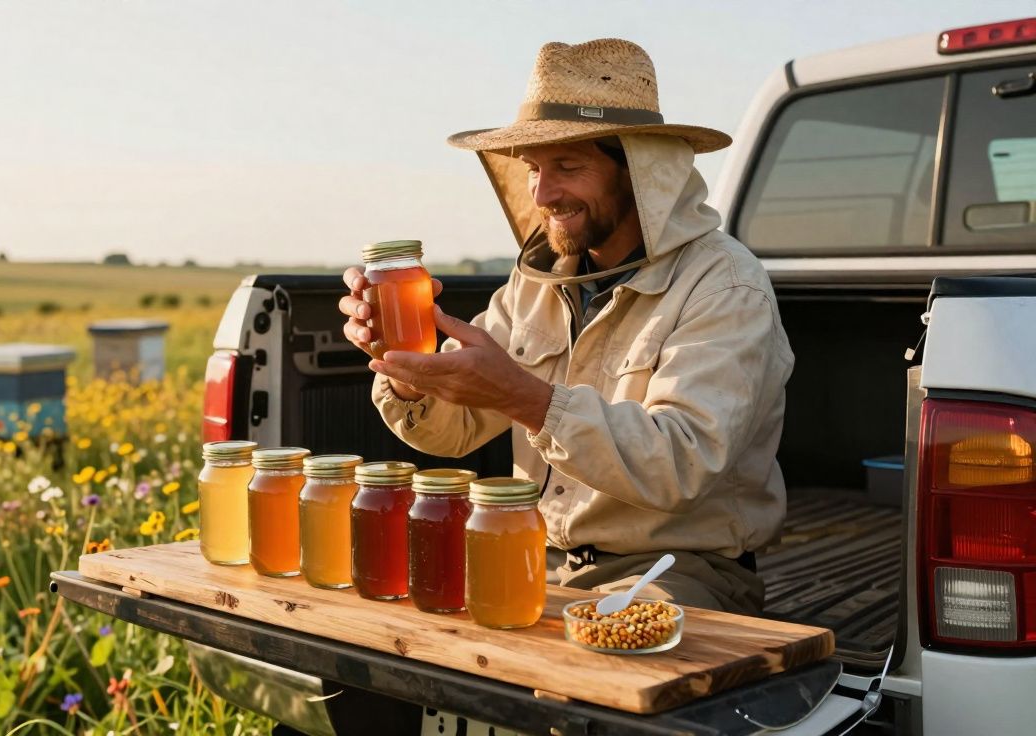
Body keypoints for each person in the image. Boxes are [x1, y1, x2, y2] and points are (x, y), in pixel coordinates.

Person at [338, 38, 793, 615]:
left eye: (569, 167)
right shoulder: (536, 280)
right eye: (533, 168)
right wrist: (406, 372)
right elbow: (452, 434)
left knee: (609, 661)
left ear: (641, 172)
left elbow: (683, 464)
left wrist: (525, 398)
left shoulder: (724, 284)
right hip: (532, 551)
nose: (542, 193)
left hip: (674, 569)